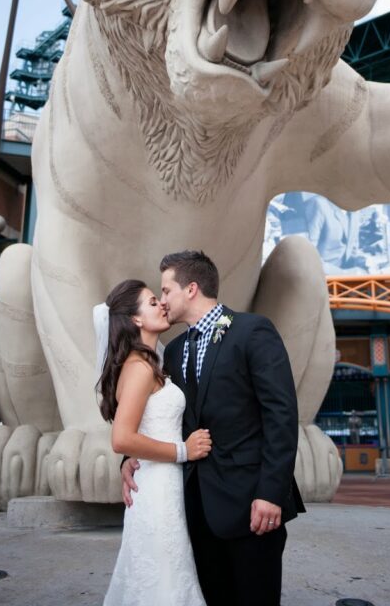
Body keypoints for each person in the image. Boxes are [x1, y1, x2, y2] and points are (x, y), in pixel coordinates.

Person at [122, 249, 304, 606]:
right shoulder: (172, 351)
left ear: (191, 289)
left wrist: (270, 493)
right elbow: (163, 417)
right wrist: (129, 456)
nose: (163, 302)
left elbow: (281, 415)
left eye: (167, 291)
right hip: (194, 507)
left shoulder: (253, 331)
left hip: (252, 504)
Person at [95, 279, 211, 606]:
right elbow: (122, 438)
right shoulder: (139, 368)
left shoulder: (151, 363)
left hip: (163, 483)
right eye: (151, 302)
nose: (161, 304)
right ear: (135, 320)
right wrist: (183, 450)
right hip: (157, 490)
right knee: (163, 580)